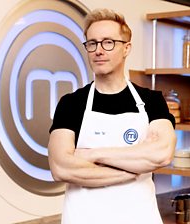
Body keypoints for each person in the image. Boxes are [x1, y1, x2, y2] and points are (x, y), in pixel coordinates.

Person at [48, 8, 176, 224]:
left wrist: (91, 155)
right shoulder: (71, 103)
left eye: (108, 42)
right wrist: (129, 172)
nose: (99, 50)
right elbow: (61, 167)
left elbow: (161, 154)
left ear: (126, 48)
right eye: (92, 43)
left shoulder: (152, 101)